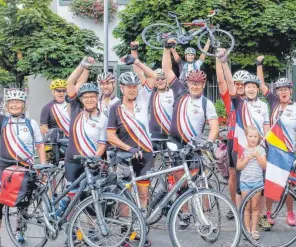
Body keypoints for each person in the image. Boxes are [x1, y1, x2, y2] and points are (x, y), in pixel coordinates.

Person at [0, 86, 46, 247]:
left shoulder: (31, 123)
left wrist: (41, 166)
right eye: (12, 102)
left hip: (26, 168)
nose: (15, 105)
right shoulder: (1, 120)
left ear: (24, 105)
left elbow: (40, 146)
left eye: (18, 102)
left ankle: (20, 232)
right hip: (5, 168)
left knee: (23, 202)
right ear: (7, 105)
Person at [163, 38, 219, 228]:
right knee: (180, 178)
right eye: (192, 83)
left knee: (195, 179)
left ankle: (202, 213)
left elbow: (214, 127)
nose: (195, 86)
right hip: (176, 142)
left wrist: (209, 142)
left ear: (203, 85)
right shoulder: (179, 91)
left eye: (198, 84)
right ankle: (184, 213)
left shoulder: (207, 103)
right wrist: (166, 48)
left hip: (194, 145)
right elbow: (167, 70)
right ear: (188, 82)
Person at [62, 57, 108, 247]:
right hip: (73, 162)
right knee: (72, 198)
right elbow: (70, 83)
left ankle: (90, 231)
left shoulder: (103, 118)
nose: (89, 99)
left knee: (92, 197)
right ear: (80, 99)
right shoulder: (75, 110)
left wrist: (96, 158)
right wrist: (83, 65)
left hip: (92, 163)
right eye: (85, 97)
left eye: (92, 96)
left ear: (96, 98)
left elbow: (102, 143)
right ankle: (71, 234)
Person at [259, 73, 296, 226]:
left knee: (289, 184)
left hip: (289, 151)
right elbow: (262, 85)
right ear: (276, 92)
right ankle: (268, 212)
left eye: (286, 89)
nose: (283, 92)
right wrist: (260, 66)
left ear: (290, 91)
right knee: (271, 183)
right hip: (273, 150)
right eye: (279, 90)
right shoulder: (274, 103)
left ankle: (290, 213)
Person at [107, 71, 153, 209]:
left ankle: (142, 223)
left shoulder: (143, 100)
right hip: (125, 156)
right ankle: (125, 227)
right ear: (122, 88)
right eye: (128, 87)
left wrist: (136, 61)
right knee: (125, 196)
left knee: (143, 194)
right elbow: (110, 136)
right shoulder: (115, 108)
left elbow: (153, 77)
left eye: (134, 86)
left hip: (145, 155)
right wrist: (129, 148)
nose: (132, 90)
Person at [216, 48, 250, 219]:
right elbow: (222, 81)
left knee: (249, 174)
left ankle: (248, 207)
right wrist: (218, 59)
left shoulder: (252, 99)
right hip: (232, 139)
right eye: (237, 84)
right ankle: (233, 206)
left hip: (248, 141)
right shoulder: (231, 98)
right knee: (232, 175)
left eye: (242, 84)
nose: (239, 87)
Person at [236, 126, 267, 240]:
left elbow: (264, 166)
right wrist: (247, 158)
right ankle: (247, 229)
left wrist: (257, 155)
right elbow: (239, 167)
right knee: (247, 207)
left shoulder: (261, 149)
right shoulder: (242, 149)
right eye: (250, 136)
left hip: (257, 182)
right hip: (245, 182)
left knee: (255, 206)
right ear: (246, 137)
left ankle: (254, 229)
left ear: (259, 138)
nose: (253, 139)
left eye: (255, 136)